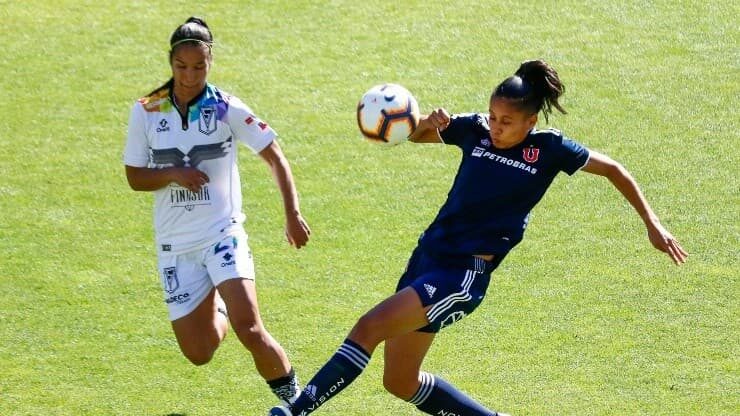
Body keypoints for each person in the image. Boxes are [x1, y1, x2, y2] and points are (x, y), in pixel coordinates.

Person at [269, 59, 687, 416]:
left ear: (530, 121)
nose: (497, 127)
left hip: (462, 275)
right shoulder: (474, 130)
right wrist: (426, 126)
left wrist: (653, 224)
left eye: (507, 122)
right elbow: (410, 135)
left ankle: (296, 409)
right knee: (400, 381)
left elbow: (614, 169)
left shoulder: (550, 150)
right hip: (428, 258)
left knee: (368, 327)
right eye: (493, 115)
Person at [123, 17, 311, 406]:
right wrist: (175, 174)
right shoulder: (146, 110)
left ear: (211, 62)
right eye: (181, 67)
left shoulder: (226, 108)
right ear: (170, 62)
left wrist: (291, 214)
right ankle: (219, 299)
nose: (190, 76)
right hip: (176, 246)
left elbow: (274, 157)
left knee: (251, 329)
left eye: (199, 66)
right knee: (198, 352)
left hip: (223, 235)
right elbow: (135, 177)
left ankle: (297, 401)